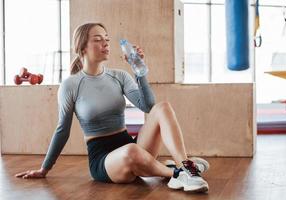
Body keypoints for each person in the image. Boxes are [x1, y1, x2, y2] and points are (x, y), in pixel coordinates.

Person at [15, 22, 210, 193]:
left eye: (106, 39)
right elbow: (62, 130)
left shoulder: (120, 76)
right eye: (98, 39)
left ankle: (186, 167)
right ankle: (176, 172)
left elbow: (149, 106)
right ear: (82, 47)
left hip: (131, 144)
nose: (106, 43)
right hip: (103, 159)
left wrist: (139, 71)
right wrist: (44, 168)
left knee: (163, 108)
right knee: (131, 151)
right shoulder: (71, 85)